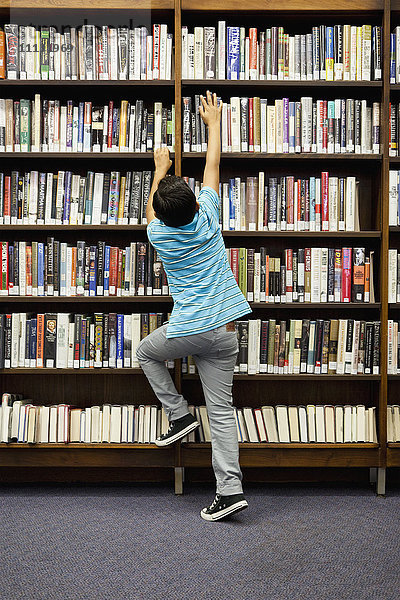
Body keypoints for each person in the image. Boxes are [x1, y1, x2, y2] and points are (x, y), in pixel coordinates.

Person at [136, 91, 251, 521]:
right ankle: (229, 491)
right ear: (193, 199)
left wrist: (158, 169)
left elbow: (152, 211)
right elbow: (213, 166)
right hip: (226, 331)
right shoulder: (208, 215)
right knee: (222, 412)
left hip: (190, 330)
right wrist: (214, 124)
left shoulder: (159, 234)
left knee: (145, 352)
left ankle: (179, 415)